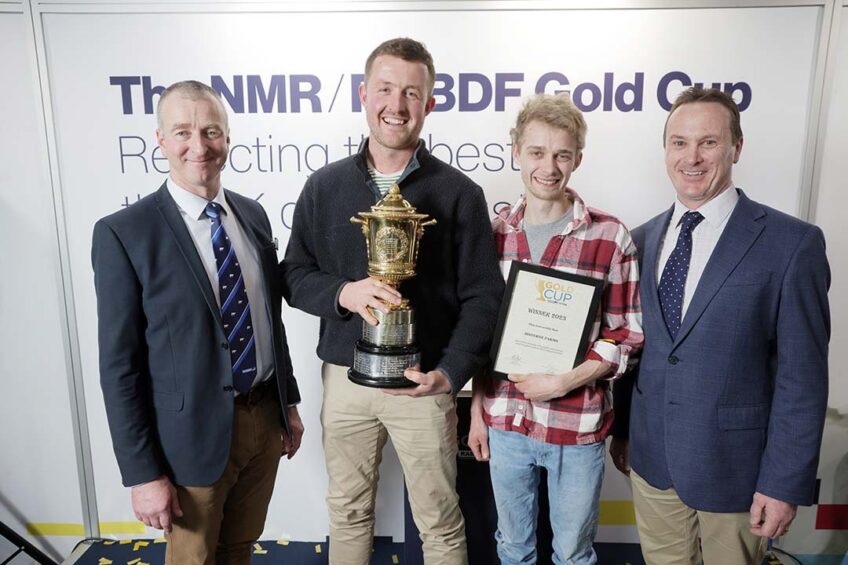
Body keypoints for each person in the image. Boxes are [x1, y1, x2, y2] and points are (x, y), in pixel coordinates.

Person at [281, 37, 504, 565]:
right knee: (348, 512)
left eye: (411, 92)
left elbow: (483, 297)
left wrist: (450, 373)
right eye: (385, 89)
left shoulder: (458, 193)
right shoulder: (324, 186)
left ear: (429, 103)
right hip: (345, 377)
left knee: (440, 520)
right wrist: (343, 292)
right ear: (363, 94)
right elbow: (292, 275)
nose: (396, 105)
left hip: (423, 383)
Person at [610, 87, 830, 564]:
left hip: (738, 474)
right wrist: (623, 431)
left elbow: (803, 378)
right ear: (665, 149)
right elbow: (637, 350)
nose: (691, 157)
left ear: (736, 147)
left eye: (708, 142)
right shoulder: (639, 240)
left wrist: (782, 483)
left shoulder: (792, 244)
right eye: (678, 142)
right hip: (653, 465)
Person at [92, 80, 303, 565]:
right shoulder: (125, 234)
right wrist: (143, 475)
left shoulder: (252, 215)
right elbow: (119, 366)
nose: (199, 145)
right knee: (193, 559)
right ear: (160, 140)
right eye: (183, 131)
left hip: (262, 423)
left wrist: (287, 404)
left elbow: (268, 319)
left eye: (211, 130)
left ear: (227, 137)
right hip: (188, 441)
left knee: (239, 550)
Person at [467, 94, 644, 564]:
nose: (549, 166)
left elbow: (625, 334)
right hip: (505, 420)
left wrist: (564, 380)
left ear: (578, 160)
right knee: (513, 548)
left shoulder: (610, 236)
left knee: (573, 553)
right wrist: (476, 411)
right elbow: (484, 334)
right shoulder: (494, 234)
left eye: (562, 154)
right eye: (537, 152)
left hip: (577, 424)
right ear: (516, 152)